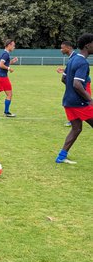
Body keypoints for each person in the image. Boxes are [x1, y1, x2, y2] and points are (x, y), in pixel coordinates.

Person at [55, 33, 93, 164]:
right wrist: (90, 100)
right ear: (88, 46)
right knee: (77, 128)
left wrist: (72, 91)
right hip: (79, 103)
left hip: (68, 101)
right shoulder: (82, 62)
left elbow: (64, 78)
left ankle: (61, 156)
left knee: (76, 128)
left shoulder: (72, 60)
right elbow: (77, 84)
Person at [56, 41, 76, 127]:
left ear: (68, 48)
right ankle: (73, 120)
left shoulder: (74, 58)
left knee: (86, 103)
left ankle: (73, 120)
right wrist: (64, 70)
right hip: (75, 84)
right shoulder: (72, 58)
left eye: (62, 48)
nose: (61, 50)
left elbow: (63, 79)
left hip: (82, 83)